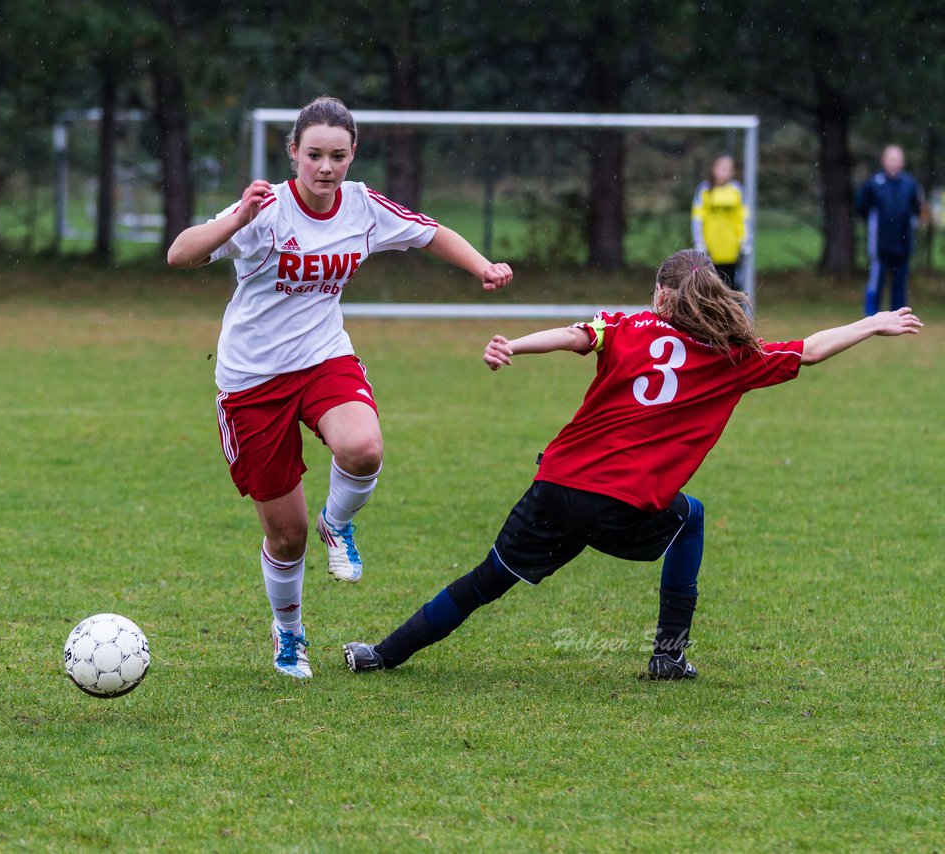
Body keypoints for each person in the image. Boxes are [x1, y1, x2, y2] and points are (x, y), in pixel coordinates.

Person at [343, 248, 922, 680]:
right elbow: (812, 349)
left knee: (485, 582)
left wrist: (513, 345)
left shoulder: (625, 326)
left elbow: (571, 337)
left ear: (664, 297)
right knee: (689, 517)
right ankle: (669, 655)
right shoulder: (732, 357)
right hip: (625, 507)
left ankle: (382, 654)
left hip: (557, 487)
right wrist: (872, 323)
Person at [167, 96, 513, 679]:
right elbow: (180, 254)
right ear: (293, 155)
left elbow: (430, 234)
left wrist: (481, 266)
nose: (325, 167)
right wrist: (236, 220)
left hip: (325, 359)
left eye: (337, 155)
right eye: (314, 155)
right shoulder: (266, 208)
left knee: (363, 447)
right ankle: (289, 631)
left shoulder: (361, 207)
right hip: (252, 382)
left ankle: (340, 522)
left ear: (352, 156)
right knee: (286, 535)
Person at [857, 145, 927, 316]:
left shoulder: (910, 184)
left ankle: (899, 315)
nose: (894, 163)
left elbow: (919, 209)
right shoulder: (873, 183)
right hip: (880, 245)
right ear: (884, 161)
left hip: (903, 244)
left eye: (897, 159)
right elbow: (862, 207)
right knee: (876, 281)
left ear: (902, 162)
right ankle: (871, 314)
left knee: (900, 283)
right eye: (891, 159)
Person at [690, 154, 750, 290]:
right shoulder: (704, 190)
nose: (726, 172)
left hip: (731, 250)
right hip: (710, 250)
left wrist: (745, 240)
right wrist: (699, 242)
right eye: (722, 168)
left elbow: (743, 218)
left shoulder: (737, 190)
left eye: (729, 169)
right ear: (714, 169)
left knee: (732, 288)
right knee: (710, 288)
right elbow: (697, 219)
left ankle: (733, 311)